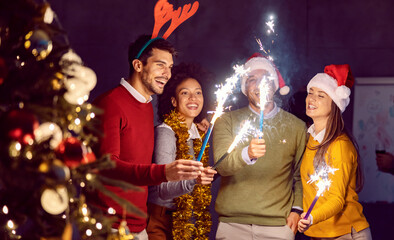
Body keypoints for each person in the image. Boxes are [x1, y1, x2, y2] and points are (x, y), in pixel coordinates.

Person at [90, 35, 204, 240]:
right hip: (110, 227)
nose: (167, 74)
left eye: (169, 67)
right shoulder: (110, 103)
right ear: (138, 65)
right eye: (160, 65)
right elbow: (108, 166)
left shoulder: (146, 105)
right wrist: (163, 172)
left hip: (138, 226)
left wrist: (193, 125)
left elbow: (137, 149)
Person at [213, 53, 307, 240]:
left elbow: (300, 175)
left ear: (275, 85)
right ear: (244, 87)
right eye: (251, 79)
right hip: (232, 225)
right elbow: (221, 166)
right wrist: (246, 154)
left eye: (266, 78)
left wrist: (296, 210)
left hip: (278, 226)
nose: (259, 85)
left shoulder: (297, 126)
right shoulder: (226, 121)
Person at [297, 64, 372, 240]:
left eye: (321, 95)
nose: (312, 99)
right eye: (311, 92)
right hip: (318, 233)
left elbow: (337, 199)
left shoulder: (340, 145)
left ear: (335, 104)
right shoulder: (310, 139)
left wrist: (311, 217)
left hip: (346, 233)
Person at [146, 63, 217, 240]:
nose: (193, 98)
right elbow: (163, 189)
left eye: (198, 92)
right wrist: (195, 179)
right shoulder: (166, 132)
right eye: (185, 93)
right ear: (173, 101)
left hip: (188, 220)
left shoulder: (198, 134)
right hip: (162, 220)